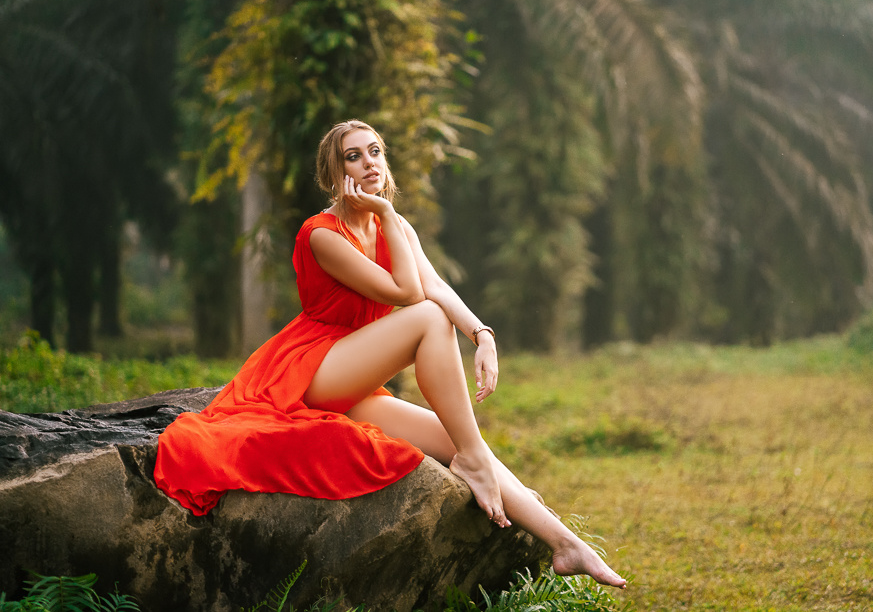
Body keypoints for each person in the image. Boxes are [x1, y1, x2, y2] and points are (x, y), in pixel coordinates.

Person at [154, 119, 626, 588]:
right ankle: (478, 464)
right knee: (429, 320)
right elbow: (409, 294)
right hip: (311, 370)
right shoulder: (321, 234)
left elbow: (435, 285)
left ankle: (565, 544)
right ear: (334, 174)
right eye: (353, 156)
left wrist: (482, 335)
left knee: (452, 435)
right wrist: (383, 210)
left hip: (354, 374)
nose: (369, 163)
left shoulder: (395, 227)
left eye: (375, 151)